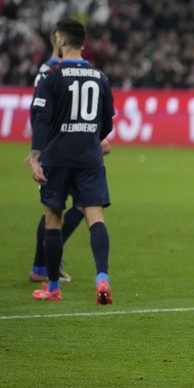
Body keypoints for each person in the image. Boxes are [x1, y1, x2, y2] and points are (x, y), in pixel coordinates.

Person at [27, 18, 115, 304]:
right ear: (83, 43)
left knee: (53, 219)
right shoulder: (100, 78)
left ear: (61, 41)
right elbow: (106, 123)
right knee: (95, 217)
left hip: (57, 157)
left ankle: (52, 287)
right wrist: (92, 139)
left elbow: (41, 120)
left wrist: (35, 155)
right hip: (89, 158)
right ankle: (102, 278)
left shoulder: (52, 78)